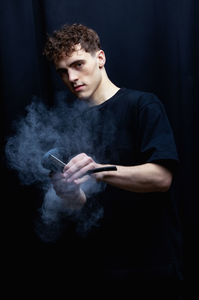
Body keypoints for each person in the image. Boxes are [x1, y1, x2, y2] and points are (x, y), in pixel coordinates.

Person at [43, 23, 183, 281]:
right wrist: (70, 192)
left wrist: (98, 171)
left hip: (151, 265)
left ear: (100, 58)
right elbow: (82, 204)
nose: (71, 78)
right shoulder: (73, 125)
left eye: (77, 65)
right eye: (62, 72)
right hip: (99, 267)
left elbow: (162, 178)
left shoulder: (142, 105)